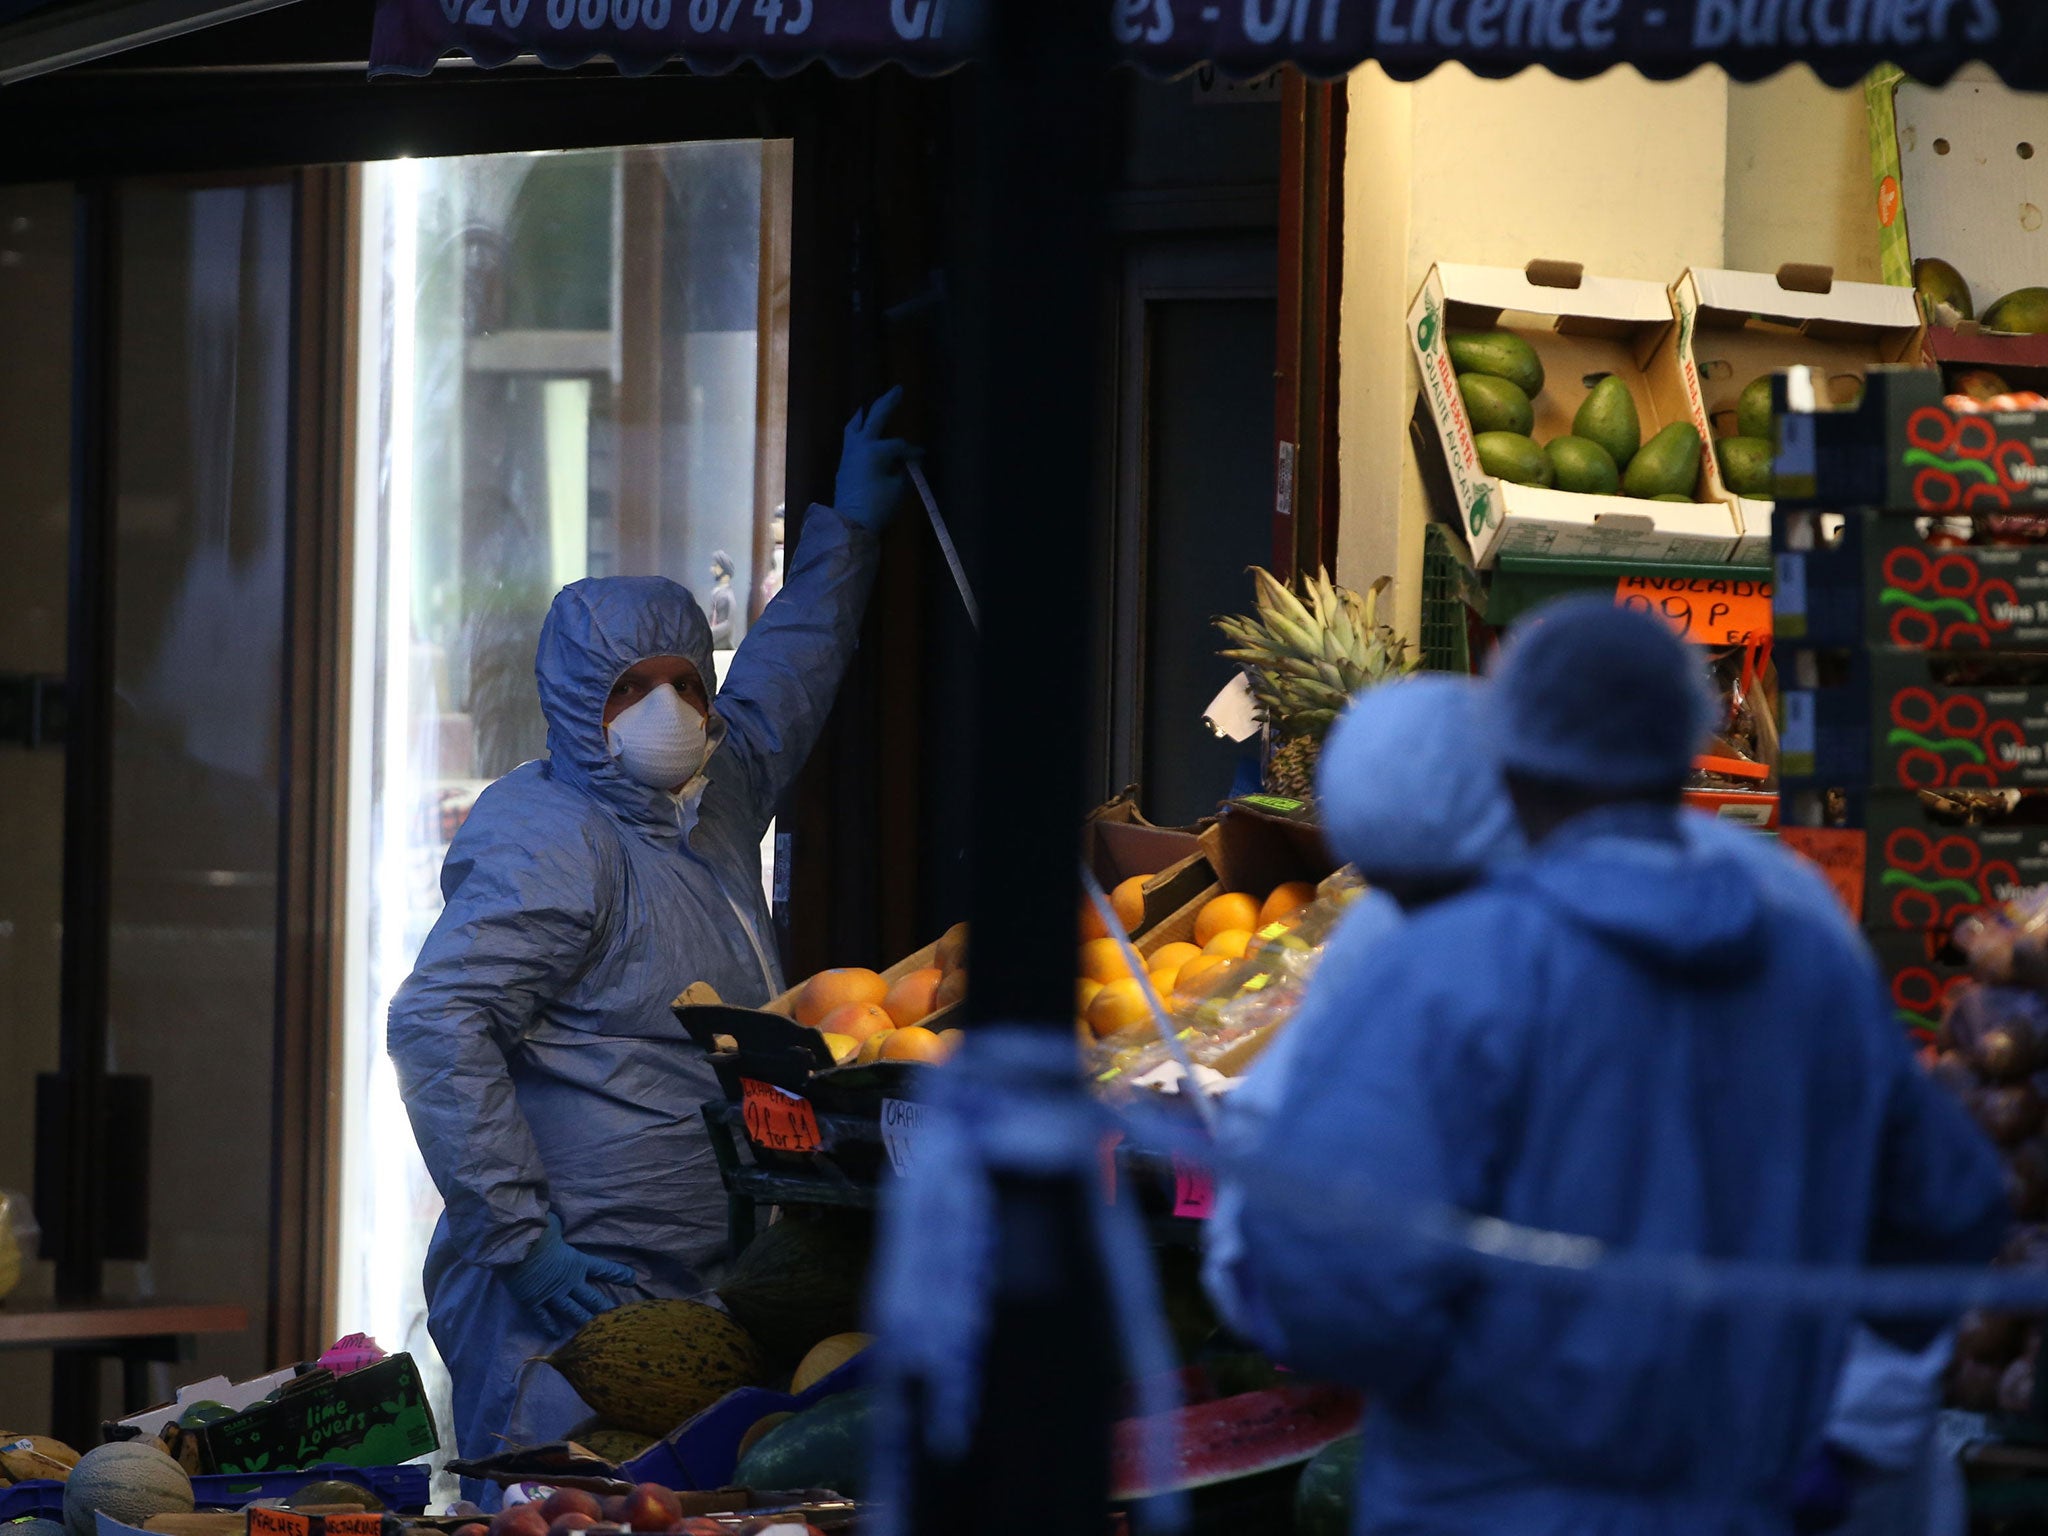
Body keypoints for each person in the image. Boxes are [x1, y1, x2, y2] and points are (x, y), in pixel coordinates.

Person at [1222, 596, 2008, 1536]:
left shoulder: (1448, 966)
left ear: (1505, 751)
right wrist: (1839, 1435)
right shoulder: (1799, 938)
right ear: (1689, 749)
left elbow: (1328, 1287)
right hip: (1748, 1496)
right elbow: (1951, 1206)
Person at [387, 390, 914, 1488]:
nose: (667, 707)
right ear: (580, 700)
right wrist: (520, 1240)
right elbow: (438, 1022)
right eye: (632, 687)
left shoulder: (711, 796)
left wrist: (848, 532)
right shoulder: (553, 840)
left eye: (684, 681)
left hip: (699, 1293)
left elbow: (784, 680)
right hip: (569, 1302)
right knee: (561, 1503)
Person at [705, 551, 737, 651]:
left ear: (724, 568)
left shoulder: (727, 596)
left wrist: (710, 633)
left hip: (722, 643)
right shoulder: (717, 593)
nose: (712, 569)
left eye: (716, 566)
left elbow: (728, 624)